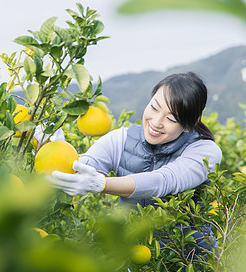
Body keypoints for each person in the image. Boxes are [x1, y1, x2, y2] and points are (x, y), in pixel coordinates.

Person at [48, 72, 222, 208]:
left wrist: (102, 184)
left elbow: (164, 181)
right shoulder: (120, 140)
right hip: (132, 250)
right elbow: (83, 170)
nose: (156, 122)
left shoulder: (206, 152)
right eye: (154, 107)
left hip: (189, 253)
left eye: (171, 119)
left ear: (189, 125)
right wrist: (55, 149)